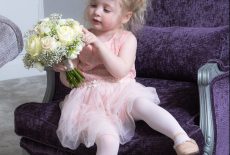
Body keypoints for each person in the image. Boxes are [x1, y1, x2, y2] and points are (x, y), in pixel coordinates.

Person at [53, 0, 199, 155]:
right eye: (93, 5)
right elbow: (70, 82)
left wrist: (98, 45)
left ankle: (181, 138)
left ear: (125, 17)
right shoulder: (78, 40)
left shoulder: (127, 39)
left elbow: (120, 71)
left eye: (106, 9)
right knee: (108, 139)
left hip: (121, 93)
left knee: (143, 105)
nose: (97, 12)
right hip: (89, 101)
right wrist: (65, 69)